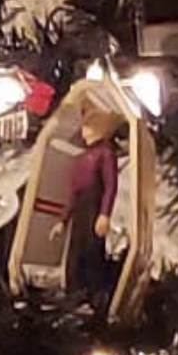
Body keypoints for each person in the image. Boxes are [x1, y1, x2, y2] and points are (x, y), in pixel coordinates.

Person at [57, 95, 127, 310]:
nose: (84, 131)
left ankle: (94, 295)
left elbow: (110, 185)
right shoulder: (83, 158)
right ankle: (75, 292)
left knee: (92, 250)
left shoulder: (106, 153)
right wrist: (63, 219)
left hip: (94, 205)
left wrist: (104, 214)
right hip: (81, 208)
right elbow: (74, 192)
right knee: (75, 251)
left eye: (88, 126)